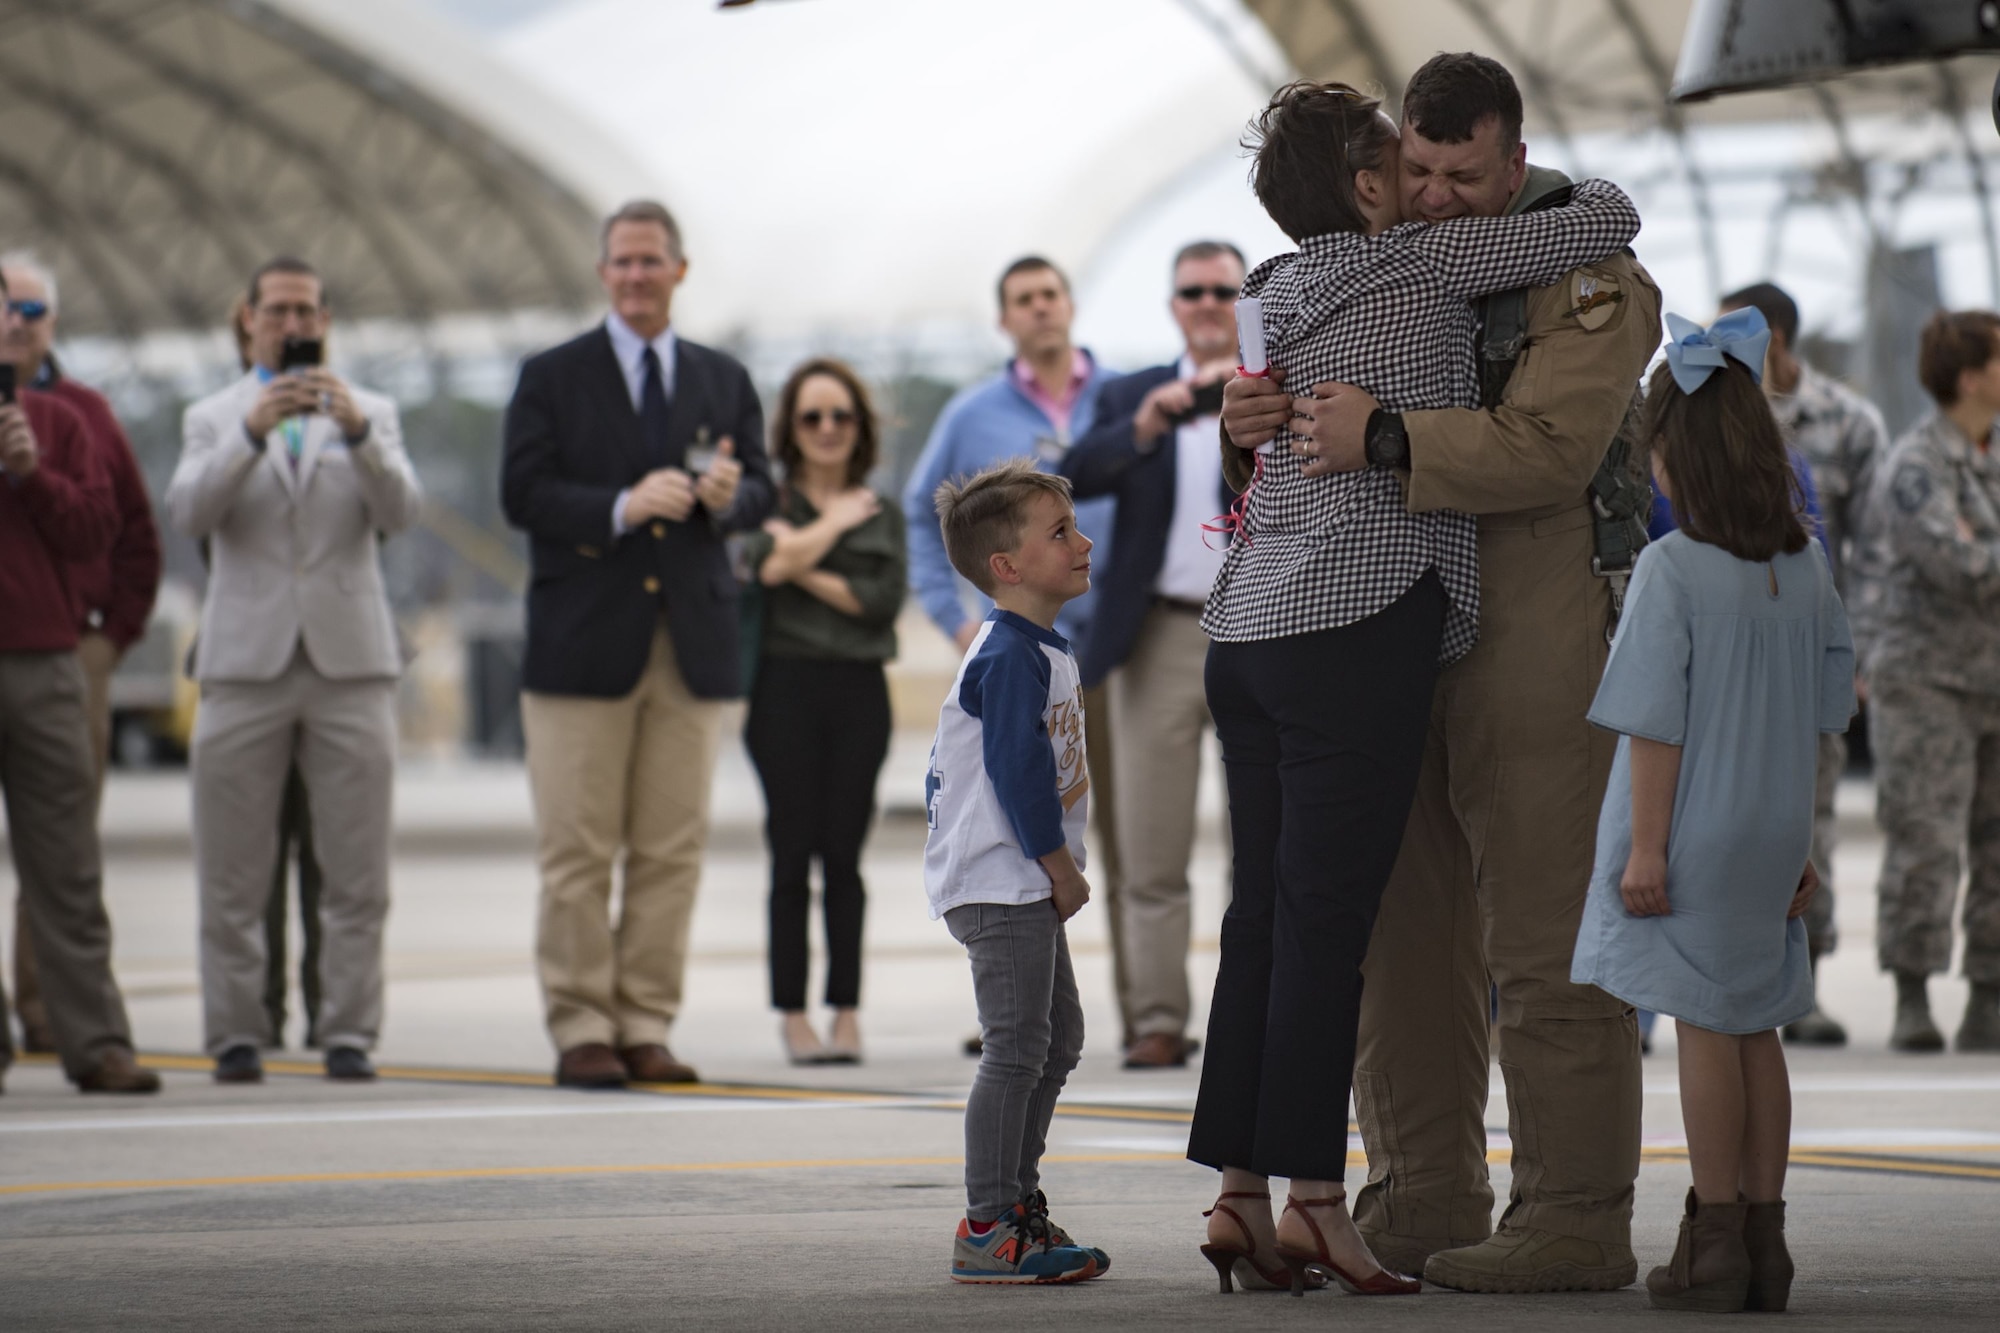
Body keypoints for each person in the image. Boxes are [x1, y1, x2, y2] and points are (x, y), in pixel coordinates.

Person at [1191, 79, 1638, 1299]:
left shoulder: (1576, 275)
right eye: (1414, 172)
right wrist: (1258, 421)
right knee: (1396, 940)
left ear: (1514, 161)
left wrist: (1381, 432)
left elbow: (1556, 444)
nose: (1433, 198)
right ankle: (1417, 1194)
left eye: (1458, 175)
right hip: (1385, 622)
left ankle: (1572, 1213)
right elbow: (1315, 408)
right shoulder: (1395, 262)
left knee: (1542, 933)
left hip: (1526, 628)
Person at [1570, 309, 1854, 1314]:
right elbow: (1827, 718)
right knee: (1759, 1024)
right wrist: (1800, 843)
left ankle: (1715, 1240)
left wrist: (1645, 848)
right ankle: (1766, 1244)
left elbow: (1653, 722)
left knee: (1700, 1026)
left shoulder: (1670, 568)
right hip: (1773, 828)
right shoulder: (1803, 567)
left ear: (1670, 452)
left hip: (1690, 827)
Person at [502, 200, 774, 1089]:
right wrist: (623, 506)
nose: (636, 275)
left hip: (690, 642)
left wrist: (731, 495)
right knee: (577, 849)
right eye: (621, 261)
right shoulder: (551, 375)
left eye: (651, 261)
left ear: (679, 271)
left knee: (671, 849)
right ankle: (582, 1023)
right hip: (583, 646)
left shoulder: (722, 377)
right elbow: (524, 494)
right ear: (601, 272)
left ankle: (646, 1022)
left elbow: (767, 493)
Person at [167, 256, 421, 1084]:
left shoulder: (371, 412)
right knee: (232, 864)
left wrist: (358, 437)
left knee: (357, 866)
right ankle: (237, 1031)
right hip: (245, 660)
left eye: (305, 311)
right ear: (247, 320)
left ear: (326, 320)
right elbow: (190, 513)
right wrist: (248, 435)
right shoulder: (211, 415)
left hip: (351, 661)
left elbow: (402, 513)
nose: (292, 325)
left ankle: (349, 1029)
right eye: (276, 311)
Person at [901, 257, 1130, 1051]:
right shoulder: (971, 414)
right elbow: (924, 518)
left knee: (1122, 828)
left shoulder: (1123, 395)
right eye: (1023, 300)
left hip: (1113, 638)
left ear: (1070, 305)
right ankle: (1001, 1166)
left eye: (1051, 295)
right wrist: (960, 619)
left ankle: (1145, 1014)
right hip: (1022, 641)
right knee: (1022, 1040)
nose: (1040, 310)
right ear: (1005, 319)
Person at [1057, 240, 1243, 1068]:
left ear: (1246, 301)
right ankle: (1157, 1018)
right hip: (1156, 634)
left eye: (1222, 290)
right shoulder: (1136, 391)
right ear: (1173, 304)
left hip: (1258, 625)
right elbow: (1074, 471)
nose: (1206, 303)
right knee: (1149, 847)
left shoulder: (1274, 381)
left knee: (1265, 845)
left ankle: (1258, 1011)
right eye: (1191, 291)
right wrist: (1145, 423)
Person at [924, 459, 1106, 1285]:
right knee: (1016, 1046)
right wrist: (1060, 868)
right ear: (1006, 565)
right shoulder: (1007, 656)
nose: (1083, 541)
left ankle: (1017, 1203)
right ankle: (990, 1222)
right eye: (1060, 532)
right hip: (1004, 879)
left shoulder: (1039, 647)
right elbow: (1017, 772)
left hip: (1020, 879)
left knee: (1055, 1037)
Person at [0, 275, 159, 1095]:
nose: (10, 322)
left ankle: (94, 1039)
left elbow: (102, 529)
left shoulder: (59, 421)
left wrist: (34, 473)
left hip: (43, 657)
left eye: (18, 309)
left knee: (65, 862)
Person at [1717, 281, 1887, 1047]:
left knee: (1808, 824)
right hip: (1731, 652)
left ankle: (1806, 981)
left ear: (1777, 340)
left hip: (1814, 644)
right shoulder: (1710, 413)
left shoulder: (1848, 425)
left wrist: (1860, 653)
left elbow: (1873, 548)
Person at [739, 359, 906, 1065]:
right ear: (791, 429)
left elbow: (880, 601)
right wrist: (829, 529)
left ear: (859, 426)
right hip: (782, 688)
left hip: (859, 691)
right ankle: (793, 1013)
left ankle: (845, 1010)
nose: (828, 429)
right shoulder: (763, 504)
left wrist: (795, 558)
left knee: (845, 857)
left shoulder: (884, 511)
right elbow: (755, 562)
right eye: (813, 416)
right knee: (789, 855)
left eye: (841, 415)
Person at [1859, 309, 2000, 1053]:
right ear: (1971, 376)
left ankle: (1990, 997)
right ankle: (1912, 995)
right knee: (1924, 842)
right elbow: (1957, 563)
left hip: (1992, 680)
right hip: (1926, 682)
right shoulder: (1918, 462)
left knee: (1997, 846)